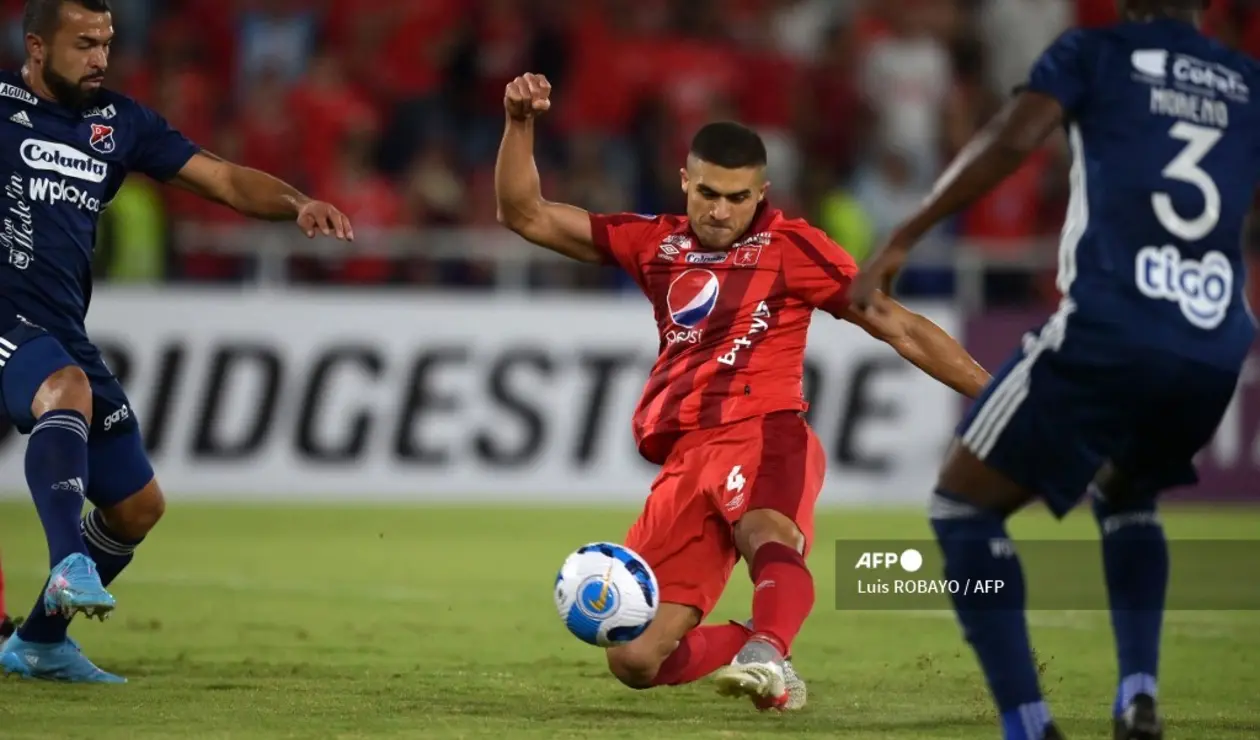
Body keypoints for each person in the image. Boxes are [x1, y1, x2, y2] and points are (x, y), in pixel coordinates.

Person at [495, 72, 990, 711]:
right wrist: (519, 121)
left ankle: (768, 650)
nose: (721, 211)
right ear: (684, 181)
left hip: (764, 431)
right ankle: (756, 649)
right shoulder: (656, 244)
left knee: (765, 534)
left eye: (736, 198)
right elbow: (523, 214)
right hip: (685, 461)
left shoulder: (792, 247)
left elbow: (898, 325)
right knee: (636, 657)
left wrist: (996, 392)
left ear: (761, 193)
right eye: (707, 193)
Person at [851, 1, 1253, 738]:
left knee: (962, 508)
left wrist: (907, 232)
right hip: (1215, 341)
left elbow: (1014, 136)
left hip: (1111, 327)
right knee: (1130, 496)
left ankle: (1029, 726)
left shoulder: (1093, 54)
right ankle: (1138, 694)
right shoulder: (1246, 80)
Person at [0, 0, 352, 683]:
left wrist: (295, 203)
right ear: (37, 47)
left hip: (63, 327)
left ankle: (39, 643)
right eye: (84, 44)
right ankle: (67, 561)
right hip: (6, 316)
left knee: (137, 508)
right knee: (64, 389)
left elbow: (219, 176)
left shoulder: (119, 123)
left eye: (107, 42)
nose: (101, 57)